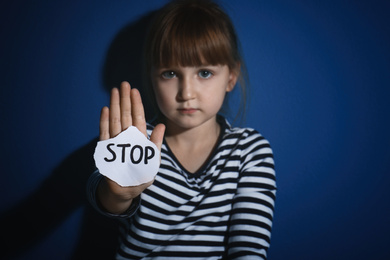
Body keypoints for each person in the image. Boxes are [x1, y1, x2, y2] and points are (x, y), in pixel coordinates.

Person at [87, 0, 276, 259]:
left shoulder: (249, 152)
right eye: (171, 73)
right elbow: (103, 195)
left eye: (205, 73)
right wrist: (117, 195)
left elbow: (249, 250)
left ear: (231, 78)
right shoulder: (135, 143)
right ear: (152, 78)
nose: (186, 93)